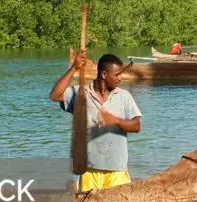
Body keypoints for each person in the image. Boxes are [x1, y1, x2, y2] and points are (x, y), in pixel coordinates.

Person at [49, 51, 141, 192]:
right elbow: (55, 96)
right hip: (90, 170)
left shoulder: (124, 96)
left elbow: (136, 126)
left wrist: (115, 121)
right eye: (117, 74)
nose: (120, 78)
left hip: (117, 169)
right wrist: (74, 68)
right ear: (104, 75)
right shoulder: (81, 94)